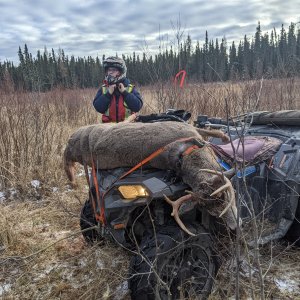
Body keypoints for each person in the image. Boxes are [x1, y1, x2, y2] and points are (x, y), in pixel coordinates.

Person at [93, 56, 143, 123]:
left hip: (127, 128)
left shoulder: (130, 88)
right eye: (109, 70)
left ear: (121, 72)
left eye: (113, 70)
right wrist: (108, 94)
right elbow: (98, 108)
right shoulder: (104, 89)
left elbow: (137, 107)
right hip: (107, 130)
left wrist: (125, 93)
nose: (110, 72)